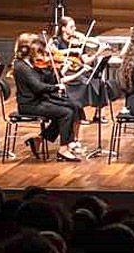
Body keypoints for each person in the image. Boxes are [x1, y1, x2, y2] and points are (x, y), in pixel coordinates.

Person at [12, 34, 84, 162]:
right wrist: (56, 87)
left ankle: (39, 140)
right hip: (30, 105)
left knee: (71, 107)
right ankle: (63, 150)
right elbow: (38, 87)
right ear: (27, 49)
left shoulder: (30, 63)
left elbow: (44, 79)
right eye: (36, 49)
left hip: (40, 100)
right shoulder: (21, 66)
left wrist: (54, 71)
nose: (39, 52)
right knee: (66, 113)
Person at [50, 16, 105, 113]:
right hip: (65, 73)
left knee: (98, 81)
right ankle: (79, 113)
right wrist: (71, 50)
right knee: (84, 82)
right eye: (71, 27)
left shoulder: (78, 42)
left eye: (74, 27)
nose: (75, 29)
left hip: (77, 70)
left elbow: (85, 61)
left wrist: (97, 54)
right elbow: (52, 50)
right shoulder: (56, 41)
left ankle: (98, 113)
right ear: (63, 28)